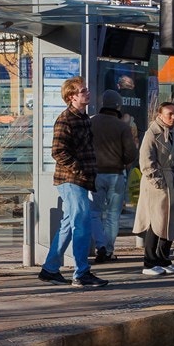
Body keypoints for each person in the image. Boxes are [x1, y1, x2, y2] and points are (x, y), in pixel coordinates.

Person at [38, 77, 109, 288]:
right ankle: (81, 273)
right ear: (72, 96)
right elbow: (58, 151)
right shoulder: (65, 119)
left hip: (80, 179)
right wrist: (79, 168)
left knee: (69, 224)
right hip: (71, 180)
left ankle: (50, 269)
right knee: (82, 224)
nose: (87, 92)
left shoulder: (84, 117)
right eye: (83, 90)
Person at [89, 89, 139, 264]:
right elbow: (131, 154)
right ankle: (108, 250)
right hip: (116, 175)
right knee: (112, 214)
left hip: (95, 174)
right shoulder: (122, 126)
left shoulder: (91, 123)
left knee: (95, 212)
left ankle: (100, 246)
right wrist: (122, 161)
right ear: (118, 106)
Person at [134, 102, 174, 275]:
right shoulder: (151, 134)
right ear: (160, 115)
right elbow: (146, 161)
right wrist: (158, 182)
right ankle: (149, 262)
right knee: (155, 222)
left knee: (170, 222)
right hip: (156, 184)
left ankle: (163, 258)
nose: (173, 117)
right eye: (169, 114)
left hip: (172, 182)